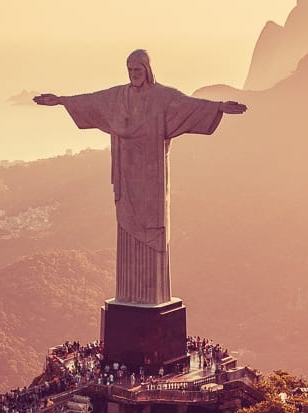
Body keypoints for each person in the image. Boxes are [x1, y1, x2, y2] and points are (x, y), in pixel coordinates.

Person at [35, 49, 246, 304]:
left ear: (147, 70)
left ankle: (150, 296)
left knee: (153, 230)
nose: (134, 75)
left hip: (152, 180)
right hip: (127, 175)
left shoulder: (163, 97)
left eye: (138, 70)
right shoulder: (118, 97)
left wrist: (219, 107)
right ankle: (129, 296)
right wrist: (60, 100)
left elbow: (189, 105)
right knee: (126, 227)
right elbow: (92, 101)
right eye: (130, 71)